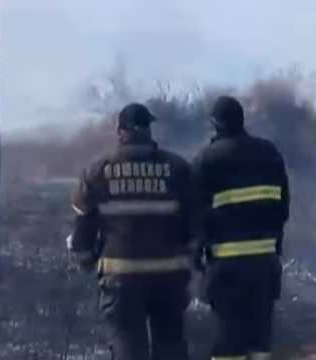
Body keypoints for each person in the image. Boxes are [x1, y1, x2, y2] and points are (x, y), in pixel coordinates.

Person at [67, 103, 197, 360]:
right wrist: (191, 255)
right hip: (169, 275)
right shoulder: (178, 168)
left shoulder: (98, 171)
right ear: (149, 129)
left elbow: (84, 224)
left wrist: (85, 259)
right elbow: (195, 221)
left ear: (119, 130)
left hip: (121, 277)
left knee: (127, 341)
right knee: (170, 343)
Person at [192, 96, 290, 360]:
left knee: (228, 344)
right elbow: (283, 208)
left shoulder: (206, 160)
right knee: (260, 343)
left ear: (215, 125)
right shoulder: (269, 153)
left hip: (226, 267)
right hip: (264, 264)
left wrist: (196, 257)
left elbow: (194, 215)